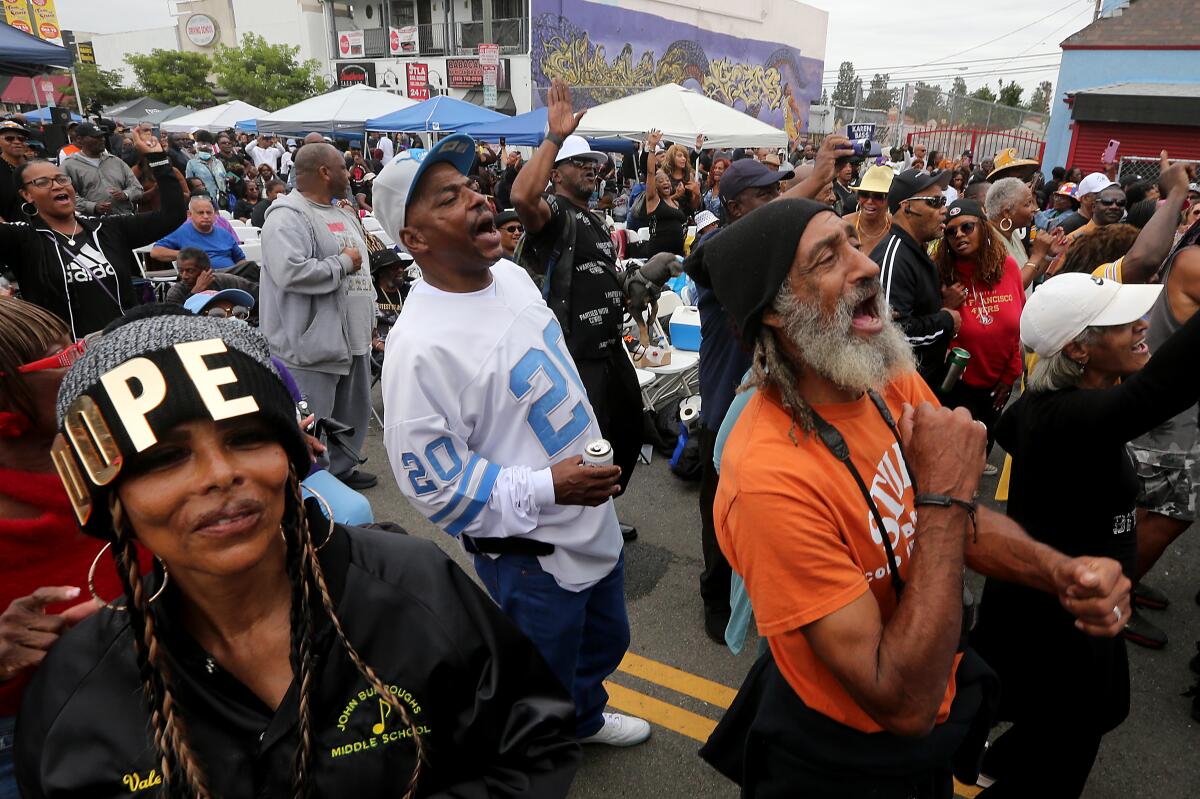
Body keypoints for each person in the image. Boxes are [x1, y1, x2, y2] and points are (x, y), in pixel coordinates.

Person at [15, 309, 582, 798]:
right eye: (164, 459)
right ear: (109, 501)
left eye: (246, 439)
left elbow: (532, 747)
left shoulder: (415, 586)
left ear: (291, 455)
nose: (221, 475)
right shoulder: (75, 692)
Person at [692, 201, 1128, 797]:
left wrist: (1060, 571)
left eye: (851, 241)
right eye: (828, 258)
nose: (865, 266)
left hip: (929, 721)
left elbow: (944, 525)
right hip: (842, 762)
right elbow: (901, 702)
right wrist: (945, 499)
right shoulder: (768, 477)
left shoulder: (882, 375)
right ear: (774, 311)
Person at [373, 132, 652, 748]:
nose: (477, 199)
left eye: (471, 186)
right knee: (536, 678)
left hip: (590, 515)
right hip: (532, 550)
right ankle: (536, 760)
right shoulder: (420, 349)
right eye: (449, 197)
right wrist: (551, 484)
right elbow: (436, 487)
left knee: (605, 642)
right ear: (414, 240)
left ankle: (582, 719)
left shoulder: (512, 276)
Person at [970, 272, 1200, 797]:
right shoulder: (1072, 417)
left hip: (1061, 608)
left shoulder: (1050, 409)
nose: (1143, 325)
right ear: (1079, 348)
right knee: (1070, 747)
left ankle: (1000, 756)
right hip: (1062, 621)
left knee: (1067, 717)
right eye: (1123, 324)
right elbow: (1164, 386)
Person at [684, 135, 853, 642]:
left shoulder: (778, 258)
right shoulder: (718, 254)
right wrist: (817, 177)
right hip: (724, 418)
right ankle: (714, 598)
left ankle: (761, 593)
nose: (778, 198)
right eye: (765, 194)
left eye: (777, 189)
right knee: (723, 525)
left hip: (777, 414)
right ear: (736, 206)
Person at [511, 80, 642, 536]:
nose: (591, 169)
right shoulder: (554, 213)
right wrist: (554, 138)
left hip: (609, 347)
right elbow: (521, 199)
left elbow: (599, 270)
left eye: (594, 163)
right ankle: (585, 527)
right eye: (579, 163)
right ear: (557, 173)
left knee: (628, 428)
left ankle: (603, 509)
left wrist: (627, 285)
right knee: (586, 443)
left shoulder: (593, 216)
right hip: (574, 351)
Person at [260, 142, 377, 491]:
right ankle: (315, 483)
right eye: (343, 167)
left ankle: (341, 471)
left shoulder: (342, 212)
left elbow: (363, 269)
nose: (349, 172)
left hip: (352, 338)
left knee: (350, 414)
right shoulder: (286, 216)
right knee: (313, 419)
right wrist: (342, 263)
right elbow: (290, 272)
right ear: (325, 172)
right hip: (311, 345)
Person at [0, 132, 183, 338]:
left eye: (61, 179)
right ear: (26, 194)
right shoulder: (22, 238)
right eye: (43, 182)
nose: (57, 185)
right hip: (67, 355)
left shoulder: (108, 228)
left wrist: (157, 158)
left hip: (124, 345)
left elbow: (173, 215)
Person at [933, 200, 1023, 449]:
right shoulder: (941, 274)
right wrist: (947, 305)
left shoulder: (1008, 268)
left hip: (998, 381)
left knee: (984, 441)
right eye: (950, 232)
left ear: (983, 228)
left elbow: (1017, 327)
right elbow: (929, 331)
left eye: (967, 227)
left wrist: (1010, 374)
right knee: (954, 448)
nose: (959, 235)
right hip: (955, 384)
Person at [872, 168, 955, 386]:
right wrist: (945, 320)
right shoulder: (894, 257)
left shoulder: (914, 249)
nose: (944, 210)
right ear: (906, 206)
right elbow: (890, 335)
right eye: (935, 201)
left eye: (943, 200)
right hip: (901, 392)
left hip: (922, 383)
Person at [985, 178, 1067, 287]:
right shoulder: (988, 241)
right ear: (1007, 212)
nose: (1035, 209)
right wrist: (1037, 254)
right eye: (1028, 204)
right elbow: (1014, 287)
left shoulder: (1012, 233)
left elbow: (1029, 273)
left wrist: (1048, 254)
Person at [151, 196, 255, 276]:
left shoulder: (224, 233)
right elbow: (156, 252)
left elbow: (241, 260)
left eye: (209, 213)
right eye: (201, 213)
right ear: (190, 215)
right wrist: (187, 255)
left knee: (252, 268)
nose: (205, 216)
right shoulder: (181, 232)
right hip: (204, 276)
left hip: (231, 275)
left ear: (215, 215)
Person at [61, 123, 142, 216]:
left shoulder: (116, 161)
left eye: (102, 136)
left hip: (125, 217)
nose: (102, 140)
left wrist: (126, 195)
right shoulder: (69, 165)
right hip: (94, 223)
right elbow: (66, 196)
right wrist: (92, 206)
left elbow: (137, 188)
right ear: (79, 140)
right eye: (96, 137)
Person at [164, 247, 258, 307]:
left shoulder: (227, 281)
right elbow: (177, 320)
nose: (184, 276)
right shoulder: (175, 292)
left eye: (190, 271)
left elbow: (259, 297)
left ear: (206, 270)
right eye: (181, 271)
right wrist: (195, 292)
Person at [843, 164, 893, 255]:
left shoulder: (895, 227)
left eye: (878, 196)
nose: (869, 201)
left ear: (889, 200)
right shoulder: (843, 225)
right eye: (864, 194)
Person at [0, 121, 31, 222]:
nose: (17, 142)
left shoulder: (36, 166)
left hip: (45, 229)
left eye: (21, 139)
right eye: (9, 138)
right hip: (12, 231)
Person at [185, 140, 228, 209]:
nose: (205, 152)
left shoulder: (218, 162)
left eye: (207, 151)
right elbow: (189, 182)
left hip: (221, 198)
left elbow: (225, 176)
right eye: (203, 151)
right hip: (203, 198)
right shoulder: (191, 163)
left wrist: (234, 178)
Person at [701, 153, 730, 221]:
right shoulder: (707, 186)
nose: (716, 170)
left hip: (721, 228)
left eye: (720, 168)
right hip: (706, 226)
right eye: (715, 168)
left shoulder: (728, 190)